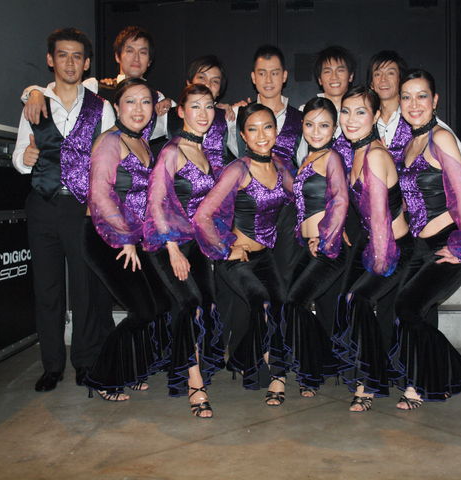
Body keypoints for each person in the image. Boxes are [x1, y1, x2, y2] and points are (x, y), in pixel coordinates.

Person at [12, 27, 116, 392]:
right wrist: (25, 159)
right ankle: (52, 365)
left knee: (84, 287)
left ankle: (85, 362)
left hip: (81, 208)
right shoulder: (34, 103)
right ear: (50, 60)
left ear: (86, 63)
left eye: (77, 56)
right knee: (47, 289)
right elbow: (18, 156)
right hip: (42, 205)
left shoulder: (102, 108)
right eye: (62, 55)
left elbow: (108, 163)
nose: (69, 62)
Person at [390, 69, 461, 410]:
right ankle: (423, 382)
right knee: (411, 310)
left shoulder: (441, 138)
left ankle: (453, 374)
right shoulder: (409, 142)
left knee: (408, 308)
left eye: (421, 96)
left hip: (449, 241)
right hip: (420, 245)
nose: (413, 104)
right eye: (406, 97)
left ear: (434, 101)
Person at [193, 103, 294, 405]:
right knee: (262, 303)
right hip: (236, 259)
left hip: (264, 257)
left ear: (276, 131)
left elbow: (301, 199)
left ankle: (261, 367)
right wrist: (225, 247)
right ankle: (276, 374)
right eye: (253, 129)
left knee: (281, 305)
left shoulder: (280, 165)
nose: (261, 135)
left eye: (267, 127)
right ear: (243, 136)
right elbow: (203, 215)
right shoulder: (238, 169)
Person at [83, 78, 170, 401]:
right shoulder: (110, 141)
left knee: (159, 304)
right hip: (107, 238)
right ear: (117, 106)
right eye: (130, 101)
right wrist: (124, 239)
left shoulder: (142, 143)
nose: (138, 109)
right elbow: (100, 195)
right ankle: (102, 377)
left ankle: (130, 369)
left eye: (145, 102)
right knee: (143, 310)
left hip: (135, 238)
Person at [143, 84, 224, 417]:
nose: (203, 113)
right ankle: (194, 383)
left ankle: (184, 370)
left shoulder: (204, 151)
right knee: (190, 304)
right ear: (181, 111)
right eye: (195, 106)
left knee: (204, 304)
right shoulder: (172, 151)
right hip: (168, 242)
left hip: (196, 243)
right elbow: (155, 202)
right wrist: (173, 248)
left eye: (209, 106)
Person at [333, 86, 411, 412]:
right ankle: (375, 373)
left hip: (395, 248)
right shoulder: (356, 152)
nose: (351, 120)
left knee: (359, 300)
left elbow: (381, 220)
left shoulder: (375, 156)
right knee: (348, 301)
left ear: (376, 115)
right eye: (346, 111)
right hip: (372, 241)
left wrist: (379, 266)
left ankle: (369, 383)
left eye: (361, 112)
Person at [282, 97, 348, 396]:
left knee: (295, 302)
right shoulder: (308, 158)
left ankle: (314, 371)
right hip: (310, 245)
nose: (316, 131)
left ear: (334, 129)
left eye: (323, 125)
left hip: (329, 248)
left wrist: (325, 237)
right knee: (296, 303)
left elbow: (340, 200)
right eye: (310, 124)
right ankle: (323, 363)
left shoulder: (332, 157)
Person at [20, 26, 170, 140]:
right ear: (117, 56)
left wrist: (170, 103)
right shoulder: (96, 87)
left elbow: (180, 122)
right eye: (130, 51)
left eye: (143, 52)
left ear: (150, 61)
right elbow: (62, 92)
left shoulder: (158, 99)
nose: (136, 58)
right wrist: (34, 92)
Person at [228, 45, 302, 172]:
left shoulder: (301, 118)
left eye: (274, 73)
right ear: (253, 77)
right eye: (262, 73)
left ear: (284, 76)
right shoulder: (237, 116)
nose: (268, 80)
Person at [297, 46, 357, 168]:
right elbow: (300, 156)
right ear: (319, 79)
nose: (334, 77)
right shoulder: (305, 111)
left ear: (350, 76)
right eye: (327, 71)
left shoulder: (360, 114)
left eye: (340, 70)